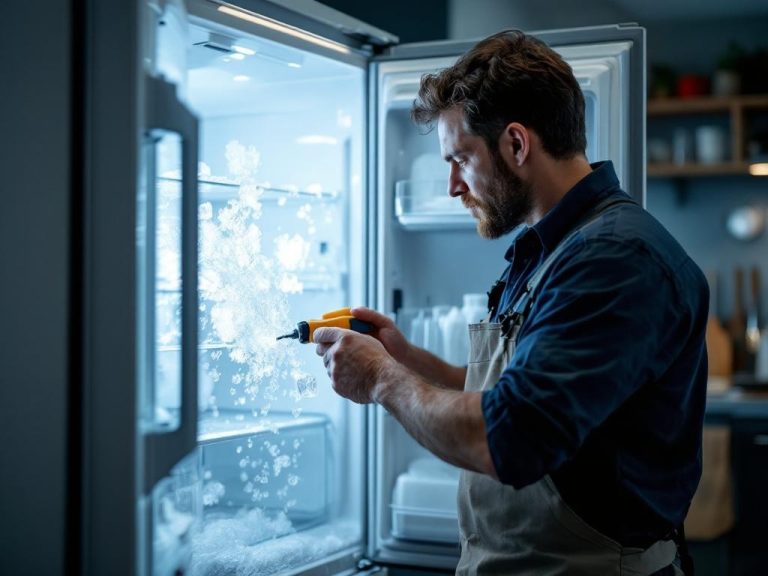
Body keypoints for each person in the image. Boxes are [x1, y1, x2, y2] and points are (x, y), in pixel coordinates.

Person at [313, 30, 708, 576]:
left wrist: (382, 378)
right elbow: (518, 392)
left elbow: (512, 437)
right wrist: (406, 359)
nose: (453, 185)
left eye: (461, 159)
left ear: (517, 144)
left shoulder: (614, 259)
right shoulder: (555, 247)